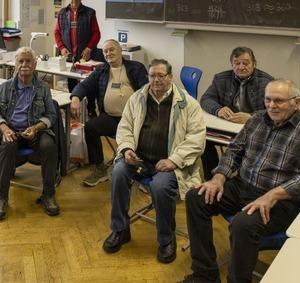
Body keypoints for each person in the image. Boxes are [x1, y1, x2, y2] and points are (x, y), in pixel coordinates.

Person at [180, 79, 300, 283]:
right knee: (196, 197)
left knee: (243, 224)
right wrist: (219, 177)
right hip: (243, 187)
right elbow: (234, 150)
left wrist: (274, 194)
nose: (271, 105)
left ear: (296, 102)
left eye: (278, 101)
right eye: (268, 100)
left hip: (280, 201)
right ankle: (205, 274)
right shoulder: (257, 119)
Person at [103, 59, 205, 264]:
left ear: (170, 77)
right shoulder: (137, 98)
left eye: (161, 76)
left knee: (159, 186)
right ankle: (120, 230)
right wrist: (126, 149)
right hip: (139, 158)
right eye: (152, 76)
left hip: (169, 163)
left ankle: (166, 240)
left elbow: (197, 139)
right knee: (119, 172)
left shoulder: (188, 104)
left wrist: (174, 160)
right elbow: (124, 127)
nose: (156, 80)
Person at [0, 47, 59, 220]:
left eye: (28, 61)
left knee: (48, 145)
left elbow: (51, 115)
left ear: (35, 65)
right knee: (7, 146)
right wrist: (5, 128)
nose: (24, 65)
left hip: (36, 131)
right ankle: (2, 197)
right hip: (12, 130)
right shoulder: (5, 88)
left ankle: (48, 194)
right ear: (15, 64)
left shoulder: (43, 88)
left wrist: (35, 128)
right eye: (20, 61)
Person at [70, 39, 148, 187]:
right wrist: (75, 98)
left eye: (112, 49)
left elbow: (146, 91)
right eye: (105, 51)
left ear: (120, 51)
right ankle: (99, 169)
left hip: (134, 119)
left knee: (147, 133)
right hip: (111, 118)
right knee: (91, 127)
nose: (108, 53)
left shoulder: (136, 68)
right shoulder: (101, 70)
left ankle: (144, 172)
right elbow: (85, 85)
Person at [199, 46, 273, 179]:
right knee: (203, 139)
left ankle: (242, 180)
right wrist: (218, 110)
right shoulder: (221, 78)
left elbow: (273, 110)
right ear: (232, 64)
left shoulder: (266, 82)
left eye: (246, 63)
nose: (241, 67)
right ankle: (212, 178)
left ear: (254, 64)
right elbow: (206, 99)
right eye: (237, 63)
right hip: (227, 126)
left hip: (253, 130)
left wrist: (251, 117)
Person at [53, 0, 101, 116]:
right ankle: (74, 109)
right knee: (72, 82)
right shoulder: (62, 13)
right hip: (69, 56)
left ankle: (91, 109)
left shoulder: (90, 12)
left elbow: (96, 34)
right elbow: (56, 33)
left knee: (89, 82)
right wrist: (62, 48)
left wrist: (89, 48)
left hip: (86, 56)